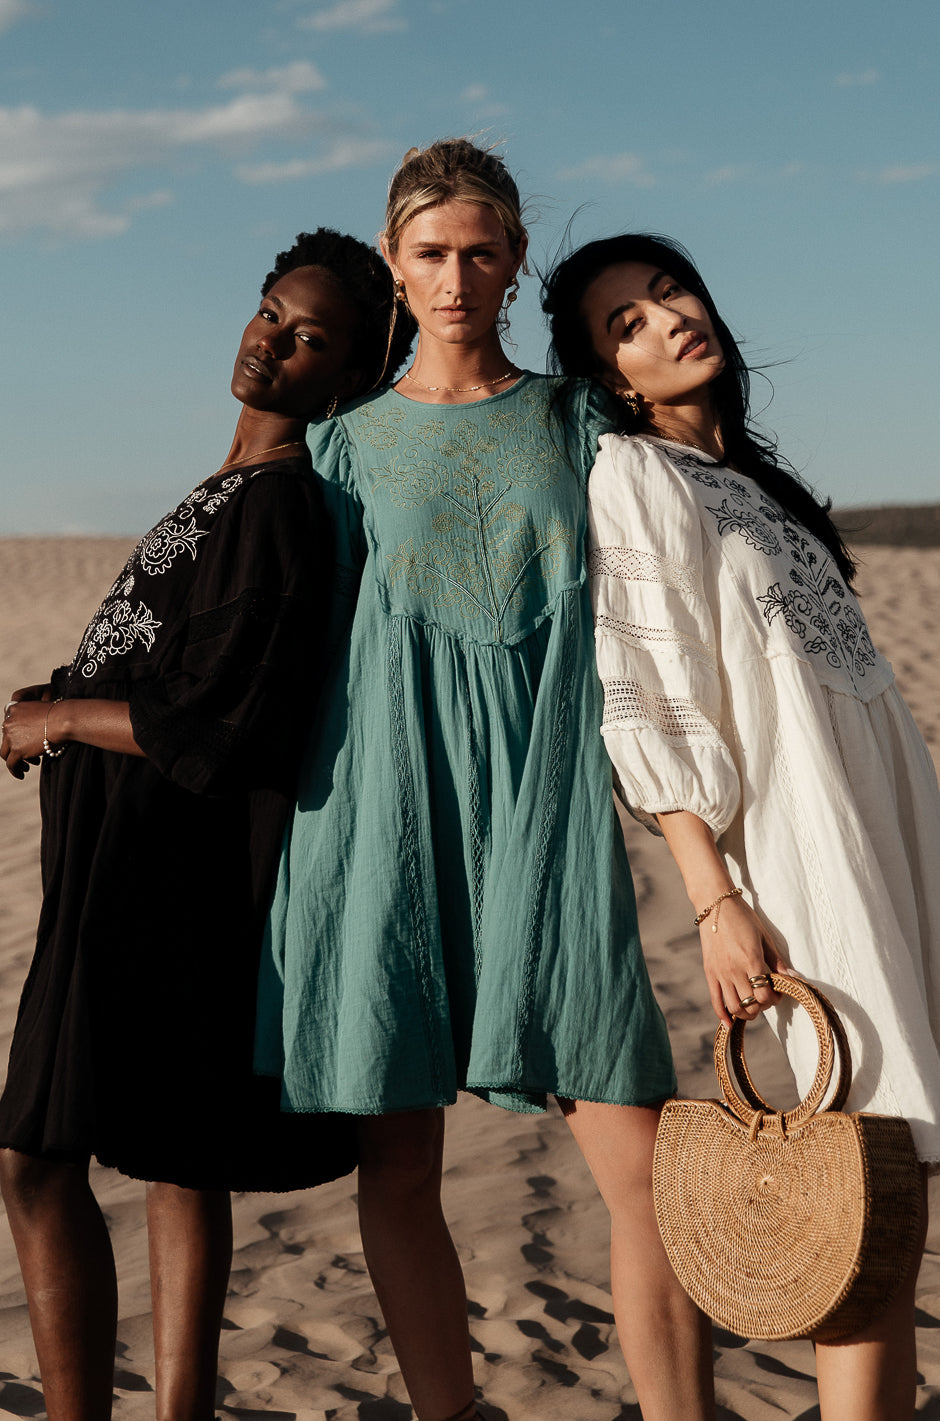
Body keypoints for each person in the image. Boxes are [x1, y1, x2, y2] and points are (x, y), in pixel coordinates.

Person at [255, 143, 715, 1421]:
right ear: (393, 264)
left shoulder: (578, 421)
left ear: (514, 262)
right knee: (399, 1162)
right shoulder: (340, 444)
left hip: (544, 812)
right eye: (430, 253)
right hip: (382, 814)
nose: (455, 277)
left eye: (479, 251)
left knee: (643, 1165)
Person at [0, 228, 413, 1421]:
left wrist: (64, 717)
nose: (271, 342)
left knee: (35, 1157)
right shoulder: (229, 488)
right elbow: (166, 665)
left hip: (160, 871)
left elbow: (228, 722)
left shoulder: (281, 504)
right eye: (270, 311)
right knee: (175, 1155)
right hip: (125, 859)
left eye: (309, 337)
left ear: (347, 377)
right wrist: (63, 690)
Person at [543, 231, 940, 1420]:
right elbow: (649, 698)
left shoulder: (755, 484)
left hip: (889, 824)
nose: (666, 320)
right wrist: (713, 896)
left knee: (896, 1188)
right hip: (797, 845)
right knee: (853, 1177)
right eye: (626, 323)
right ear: (610, 376)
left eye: (669, 292)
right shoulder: (632, 475)